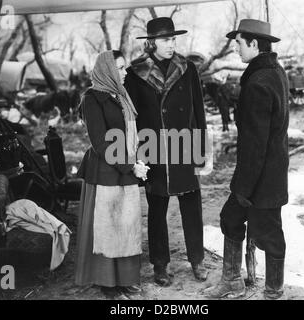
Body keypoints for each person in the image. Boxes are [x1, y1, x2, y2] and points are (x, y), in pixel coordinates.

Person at [205, 19, 289, 300]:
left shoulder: (257, 82)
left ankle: (272, 291)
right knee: (241, 221)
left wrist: (243, 189)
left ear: (254, 43)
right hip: (272, 174)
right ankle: (237, 282)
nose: (236, 49)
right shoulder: (276, 72)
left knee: (267, 233)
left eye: (240, 43)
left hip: (259, 179)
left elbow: (255, 145)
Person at [124, 17, 208, 287]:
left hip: (184, 145)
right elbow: (131, 118)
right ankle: (160, 264)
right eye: (165, 40)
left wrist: (200, 152)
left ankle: (197, 260)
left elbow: (198, 111)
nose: (171, 45)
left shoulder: (188, 68)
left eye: (173, 39)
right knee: (157, 209)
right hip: (153, 148)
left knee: (192, 206)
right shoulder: (135, 73)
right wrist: (136, 156)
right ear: (151, 43)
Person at [75, 50, 149, 299]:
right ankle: (107, 284)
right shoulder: (92, 98)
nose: (125, 72)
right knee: (108, 227)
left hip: (125, 167)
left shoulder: (122, 96)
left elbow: (131, 136)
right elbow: (100, 142)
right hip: (105, 170)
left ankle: (125, 279)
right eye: (119, 67)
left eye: (125, 67)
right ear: (107, 69)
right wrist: (130, 166)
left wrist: (138, 160)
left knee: (126, 224)